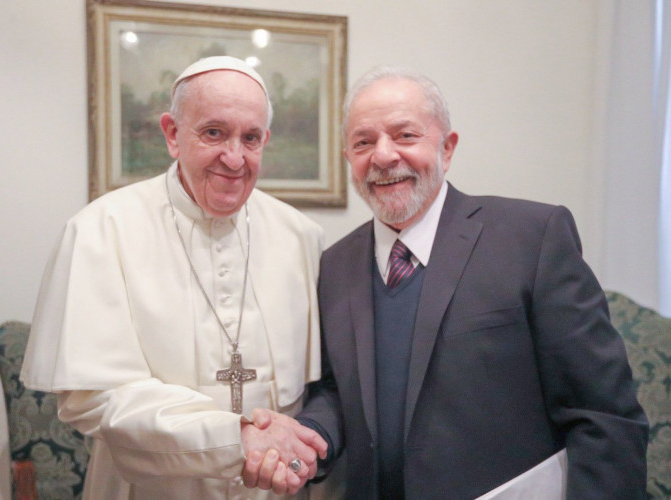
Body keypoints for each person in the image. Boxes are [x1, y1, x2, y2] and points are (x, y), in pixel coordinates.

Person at [249, 66, 649, 498]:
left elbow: (605, 415)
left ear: (448, 147)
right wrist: (306, 437)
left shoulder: (532, 238)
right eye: (364, 142)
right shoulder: (335, 265)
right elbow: (336, 391)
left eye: (405, 136)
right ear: (349, 158)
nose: (383, 156)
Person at [20, 56, 327, 499]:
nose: (234, 157)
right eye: (214, 132)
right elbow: (94, 398)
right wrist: (233, 437)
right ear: (172, 134)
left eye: (251, 138)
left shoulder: (302, 237)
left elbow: (321, 387)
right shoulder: (100, 230)